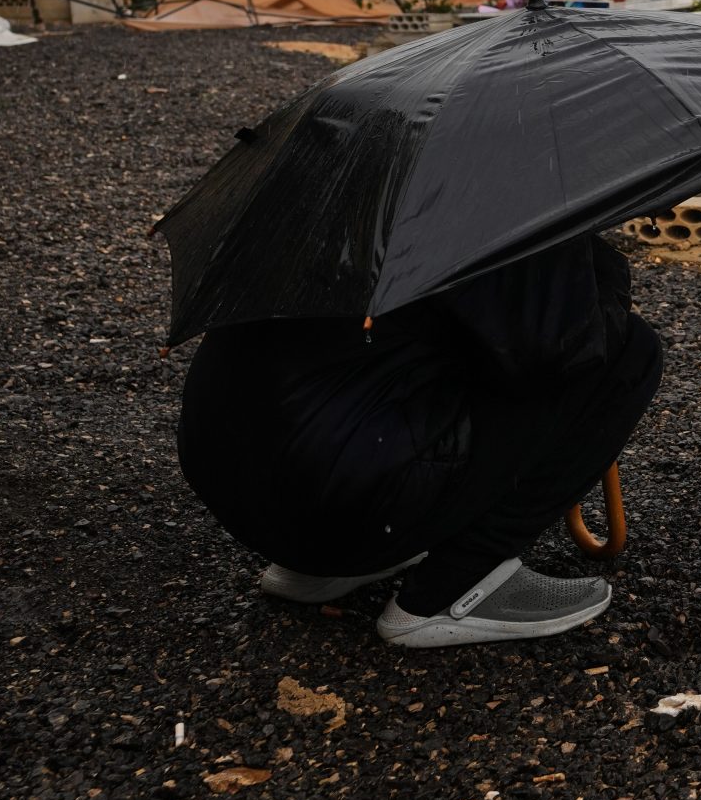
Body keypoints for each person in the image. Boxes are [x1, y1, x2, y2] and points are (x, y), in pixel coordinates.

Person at [178, 235, 663, 648]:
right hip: (339, 500)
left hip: (242, 489)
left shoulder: (352, 175)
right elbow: (560, 349)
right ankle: (453, 591)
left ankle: (331, 563)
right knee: (629, 353)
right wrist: (598, 265)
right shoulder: (507, 199)